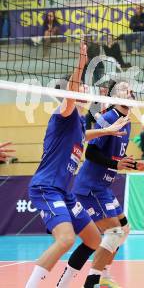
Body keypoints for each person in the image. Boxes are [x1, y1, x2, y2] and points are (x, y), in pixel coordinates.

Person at [25, 40, 130, 288]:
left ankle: (64, 285)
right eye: (80, 86)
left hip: (65, 193)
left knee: (94, 239)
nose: (84, 89)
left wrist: (108, 130)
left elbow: (84, 137)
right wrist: (81, 65)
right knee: (65, 240)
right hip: (46, 188)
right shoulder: (64, 113)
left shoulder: (80, 123)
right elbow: (72, 91)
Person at [63, 81, 144, 288]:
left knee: (124, 228)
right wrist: (116, 163)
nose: (129, 90)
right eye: (123, 88)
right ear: (113, 96)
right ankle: (93, 281)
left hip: (103, 187)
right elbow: (91, 153)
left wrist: (134, 165)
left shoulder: (127, 120)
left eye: (130, 88)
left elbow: (114, 157)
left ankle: (103, 274)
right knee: (113, 233)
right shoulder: (108, 118)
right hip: (90, 187)